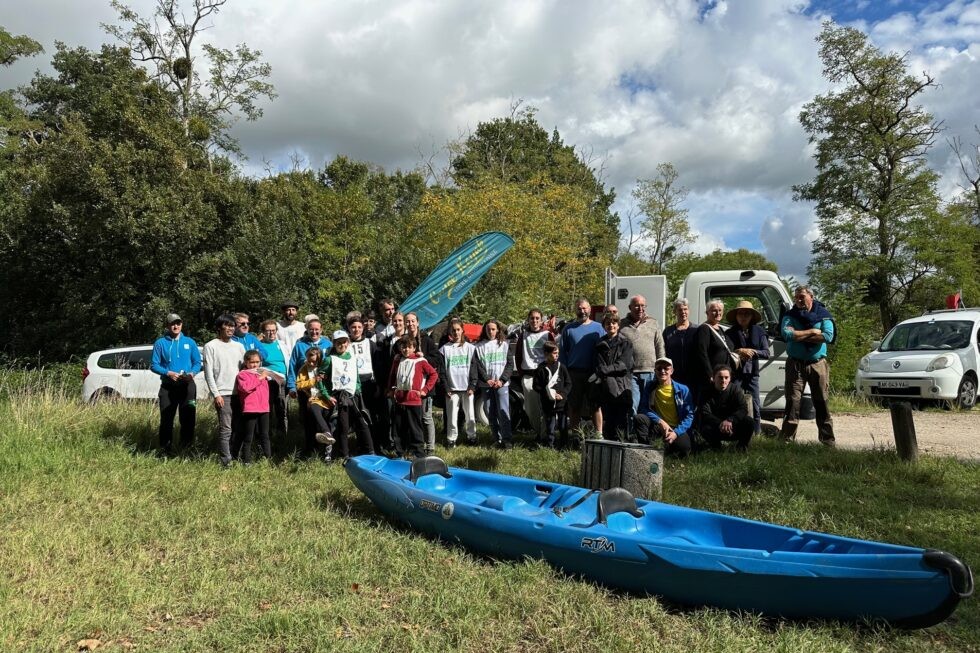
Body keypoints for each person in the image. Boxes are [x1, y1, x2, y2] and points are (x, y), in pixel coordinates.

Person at [780, 286, 836, 446]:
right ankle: (786, 441)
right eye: (796, 297)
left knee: (822, 401)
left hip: (818, 364)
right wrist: (812, 331)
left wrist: (799, 334)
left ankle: (827, 440)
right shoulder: (790, 315)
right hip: (795, 364)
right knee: (792, 401)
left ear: (811, 297)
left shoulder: (823, 314)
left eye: (802, 297)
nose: (798, 300)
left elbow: (828, 336)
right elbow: (787, 334)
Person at [315, 330, 375, 460]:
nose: (342, 345)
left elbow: (356, 377)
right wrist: (327, 395)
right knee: (344, 425)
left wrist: (358, 390)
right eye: (339, 343)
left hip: (354, 395)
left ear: (348, 343)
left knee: (362, 422)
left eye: (344, 342)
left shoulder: (352, 357)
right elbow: (319, 378)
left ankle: (370, 451)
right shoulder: (329, 359)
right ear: (334, 344)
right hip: (339, 396)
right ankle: (344, 454)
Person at [150, 313, 201, 455]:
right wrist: (168, 373)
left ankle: (187, 450)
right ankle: (165, 450)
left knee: (188, 418)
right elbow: (154, 365)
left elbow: (197, 363)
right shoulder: (160, 343)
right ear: (167, 326)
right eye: (173, 323)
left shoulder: (190, 342)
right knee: (166, 420)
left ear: (182, 324)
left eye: (178, 323)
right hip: (168, 387)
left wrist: (192, 373)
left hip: (188, 386)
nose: (176, 326)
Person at [203, 314, 246, 466]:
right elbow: (208, 373)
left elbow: (244, 370)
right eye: (227, 325)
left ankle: (236, 456)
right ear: (219, 328)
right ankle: (225, 461)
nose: (230, 329)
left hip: (239, 393)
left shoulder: (239, 346)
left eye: (232, 326)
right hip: (223, 394)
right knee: (226, 429)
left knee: (239, 428)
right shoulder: (211, 346)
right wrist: (216, 394)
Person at [287, 318, 332, 457]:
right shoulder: (300, 345)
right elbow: (293, 366)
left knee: (324, 418)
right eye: (311, 329)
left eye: (317, 329)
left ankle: (324, 449)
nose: (314, 331)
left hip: (324, 391)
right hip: (305, 391)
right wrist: (292, 387)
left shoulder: (328, 344)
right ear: (307, 329)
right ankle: (310, 449)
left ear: (321, 329)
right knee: (308, 420)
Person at [388, 335, 439, 459]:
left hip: (414, 400)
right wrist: (390, 390)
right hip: (400, 399)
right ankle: (400, 452)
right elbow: (392, 376)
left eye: (409, 347)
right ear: (400, 348)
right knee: (399, 428)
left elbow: (433, 374)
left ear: (414, 348)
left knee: (415, 428)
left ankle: (418, 453)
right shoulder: (397, 360)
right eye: (403, 347)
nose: (406, 349)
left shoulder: (420, 361)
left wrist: (425, 390)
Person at [559, 298, 606, 432]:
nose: (582, 311)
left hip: (593, 373)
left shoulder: (599, 328)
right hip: (574, 373)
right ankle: (575, 435)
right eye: (579, 309)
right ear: (575, 310)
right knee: (574, 407)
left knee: (595, 406)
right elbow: (563, 353)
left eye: (584, 308)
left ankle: (599, 434)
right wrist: (564, 374)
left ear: (590, 309)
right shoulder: (568, 329)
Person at [632, 357, 694, 457]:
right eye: (659, 368)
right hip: (657, 426)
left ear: (672, 371)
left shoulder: (683, 389)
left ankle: (666, 448)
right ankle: (645, 450)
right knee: (639, 418)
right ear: (655, 371)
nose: (662, 371)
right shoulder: (650, 387)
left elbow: (689, 415)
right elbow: (643, 408)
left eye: (666, 368)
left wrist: (676, 433)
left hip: (676, 428)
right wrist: (660, 421)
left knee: (684, 450)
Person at [724, 300, 770, 434]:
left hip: (752, 374)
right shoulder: (730, 333)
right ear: (736, 316)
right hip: (735, 373)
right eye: (740, 313)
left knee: (755, 403)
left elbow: (766, 353)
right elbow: (727, 352)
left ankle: (756, 432)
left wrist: (752, 351)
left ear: (752, 316)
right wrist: (739, 351)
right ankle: (731, 431)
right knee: (733, 402)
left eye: (747, 314)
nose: (743, 316)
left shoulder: (760, 332)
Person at [619, 294, 667, 422]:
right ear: (630, 307)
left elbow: (660, 345)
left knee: (648, 405)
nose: (640, 309)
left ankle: (646, 435)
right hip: (631, 372)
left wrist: (662, 368)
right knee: (633, 404)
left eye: (642, 306)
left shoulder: (653, 323)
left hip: (650, 371)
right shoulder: (621, 325)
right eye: (637, 305)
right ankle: (631, 434)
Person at [347, 314, 389, 453]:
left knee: (373, 416)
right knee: (358, 417)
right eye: (353, 327)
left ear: (363, 328)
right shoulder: (345, 345)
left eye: (359, 327)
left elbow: (378, 365)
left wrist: (379, 385)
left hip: (370, 384)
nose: (356, 330)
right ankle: (362, 446)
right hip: (353, 385)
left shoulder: (370, 344)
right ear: (349, 328)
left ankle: (376, 446)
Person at [513, 308, 555, 440]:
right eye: (532, 318)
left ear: (541, 320)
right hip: (528, 376)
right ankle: (539, 431)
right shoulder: (523, 336)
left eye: (537, 318)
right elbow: (518, 356)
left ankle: (544, 436)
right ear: (528, 320)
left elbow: (553, 353)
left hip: (544, 376)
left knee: (546, 408)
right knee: (531, 409)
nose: (535, 321)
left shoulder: (547, 335)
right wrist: (521, 374)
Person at [594, 313, 634, 441]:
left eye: (614, 323)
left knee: (621, 425)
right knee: (609, 425)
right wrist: (605, 371)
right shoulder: (600, 344)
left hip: (622, 387)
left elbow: (623, 365)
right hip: (606, 389)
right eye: (607, 323)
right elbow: (599, 365)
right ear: (604, 326)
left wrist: (606, 370)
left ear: (618, 325)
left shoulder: (626, 343)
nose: (611, 325)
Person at [439, 317, 478, 448]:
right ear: (449, 332)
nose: (456, 333)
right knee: (452, 417)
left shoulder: (470, 348)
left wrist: (472, 385)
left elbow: (474, 368)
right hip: (452, 389)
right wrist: (446, 387)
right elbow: (442, 370)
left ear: (462, 331)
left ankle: (471, 437)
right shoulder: (445, 349)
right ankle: (451, 439)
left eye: (458, 330)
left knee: (470, 415)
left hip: (467, 388)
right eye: (453, 330)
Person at [405, 312, 441, 454]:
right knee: (413, 418)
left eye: (413, 321)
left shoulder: (427, 340)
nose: (410, 324)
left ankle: (430, 446)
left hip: (425, 387)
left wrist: (424, 357)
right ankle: (414, 444)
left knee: (426, 417)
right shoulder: (404, 341)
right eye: (408, 322)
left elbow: (437, 359)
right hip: (410, 387)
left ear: (418, 323)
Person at [475, 319, 514, 449]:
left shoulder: (505, 344)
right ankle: (497, 439)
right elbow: (479, 366)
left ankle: (507, 440)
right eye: (488, 329)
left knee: (503, 412)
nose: (490, 331)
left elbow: (509, 364)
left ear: (497, 330)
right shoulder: (478, 346)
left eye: (493, 329)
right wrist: (487, 379)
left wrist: (502, 380)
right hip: (486, 385)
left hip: (501, 384)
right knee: (489, 411)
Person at [698, 364, 754, 451]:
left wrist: (730, 420)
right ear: (713, 378)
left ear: (730, 378)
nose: (723, 380)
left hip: (733, 426)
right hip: (716, 427)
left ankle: (741, 447)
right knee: (705, 428)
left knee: (749, 422)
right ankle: (716, 447)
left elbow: (743, 408)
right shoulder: (706, 392)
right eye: (720, 377)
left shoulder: (736, 390)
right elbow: (705, 413)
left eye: (726, 377)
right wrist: (721, 423)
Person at [294, 347, 335, 462]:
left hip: (326, 399)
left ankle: (328, 452)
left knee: (327, 422)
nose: (311, 363)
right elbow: (299, 385)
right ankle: (312, 449)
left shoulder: (324, 367)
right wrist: (313, 381)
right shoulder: (304, 368)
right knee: (311, 424)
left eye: (314, 361)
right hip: (313, 399)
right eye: (309, 360)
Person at [233, 350, 271, 462]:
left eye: (257, 362)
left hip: (264, 408)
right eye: (252, 362)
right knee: (248, 437)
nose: (255, 365)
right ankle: (247, 461)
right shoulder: (242, 374)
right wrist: (260, 378)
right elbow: (245, 388)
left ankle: (267, 459)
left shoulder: (261, 373)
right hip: (250, 409)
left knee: (265, 435)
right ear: (246, 362)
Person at [533, 340, 572, 448]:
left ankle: (564, 445)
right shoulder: (541, 369)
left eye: (558, 353)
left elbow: (568, 383)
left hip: (562, 403)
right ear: (546, 354)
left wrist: (563, 394)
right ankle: (550, 444)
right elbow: (536, 386)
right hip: (548, 404)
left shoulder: (562, 367)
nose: (557, 355)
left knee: (563, 426)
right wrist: (548, 394)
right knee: (550, 426)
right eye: (554, 353)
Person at [693, 300, 735, 401]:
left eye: (720, 310)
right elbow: (701, 353)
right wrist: (710, 374)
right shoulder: (704, 329)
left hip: (722, 376)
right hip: (712, 378)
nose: (718, 313)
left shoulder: (720, 329)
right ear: (707, 313)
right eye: (714, 310)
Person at [257, 319, 290, 439]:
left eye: (273, 330)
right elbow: (256, 365)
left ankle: (283, 436)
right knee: (267, 409)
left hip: (282, 381)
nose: (271, 333)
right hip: (267, 382)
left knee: (283, 409)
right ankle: (267, 436)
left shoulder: (282, 345)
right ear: (263, 332)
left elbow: (288, 362)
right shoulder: (259, 347)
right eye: (268, 331)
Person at [662, 298, 699, 389]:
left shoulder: (697, 330)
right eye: (680, 310)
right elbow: (663, 352)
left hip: (693, 374)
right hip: (674, 375)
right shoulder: (668, 331)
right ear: (675, 312)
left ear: (689, 311)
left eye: (685, 309)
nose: (683, 312)